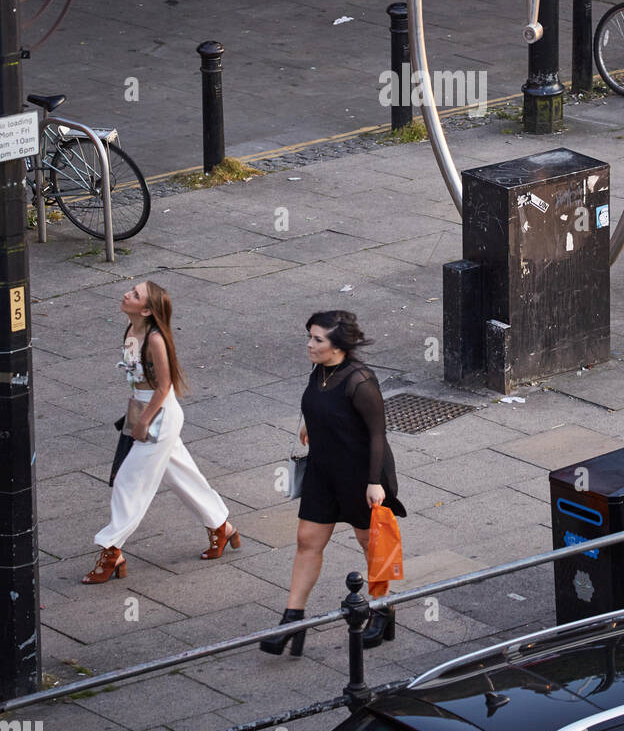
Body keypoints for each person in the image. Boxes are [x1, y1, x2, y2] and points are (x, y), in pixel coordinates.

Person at [261, 310, 405, 656]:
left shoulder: (361, 380)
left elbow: (377, 435)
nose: (309, 344)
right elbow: (321, 403)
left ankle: (382, 609)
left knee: (369, 542)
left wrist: (374, 482)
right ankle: (292, 622)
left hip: (361, 475)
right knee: (307, 540)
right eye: (309, 337)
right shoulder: (321, 371)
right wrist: (311, 424)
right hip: (323, 471)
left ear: (338, 346)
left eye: (317, 339)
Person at [82, 280, 239, 583]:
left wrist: (143, 422)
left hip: (160, 415)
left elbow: (164, 386)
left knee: (128, 482)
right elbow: (135, 380)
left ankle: (112, 549)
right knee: (181, 474)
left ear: (147, 309)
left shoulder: (155, 339)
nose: (127, 294)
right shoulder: (130, 330)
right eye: (132, 290)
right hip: (141, 409)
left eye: (136, 294)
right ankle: (221, 526)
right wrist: (134, 416)